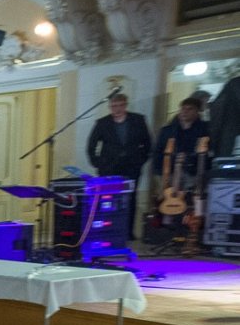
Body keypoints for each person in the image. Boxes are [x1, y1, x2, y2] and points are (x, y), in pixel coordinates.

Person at [85, 91, 153, 231]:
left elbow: (148, 143)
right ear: (110, 107)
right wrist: (98, 163)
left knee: (131, 198)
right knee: (108, 198)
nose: (117, 109)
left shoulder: (138, 120)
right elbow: (91, 145)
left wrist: (141, 160)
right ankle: (109, 230)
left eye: (120, 105)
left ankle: (128, 232)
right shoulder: (102, 123)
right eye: (113, 106)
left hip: (132, 167)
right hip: (109, 167)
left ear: (125, 105)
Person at [151, 96, 212, 210]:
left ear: (197, 111)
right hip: (170, 173)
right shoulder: (167, 131)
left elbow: (209, 153)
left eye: (190, 109)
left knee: (192, 204)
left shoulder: (206, 129)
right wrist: (159, 174)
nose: (185, 112)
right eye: (183, 108)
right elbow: (157, 152)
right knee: (167, 204)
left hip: (194, 173)